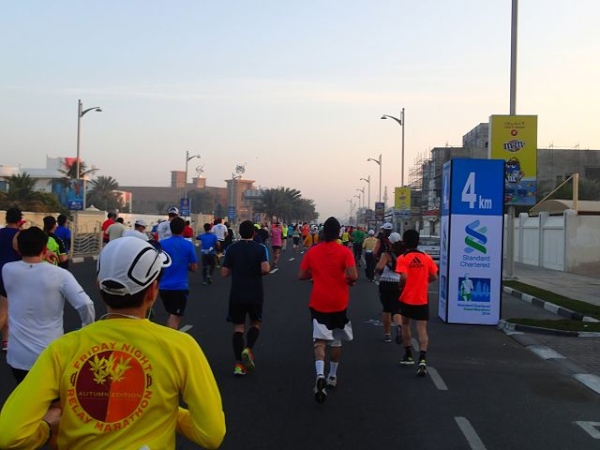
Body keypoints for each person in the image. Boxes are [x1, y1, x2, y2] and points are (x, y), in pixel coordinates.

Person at [0, 236, 226, 449]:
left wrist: (47, 428)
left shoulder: (63, 348)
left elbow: (8, 435)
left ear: (98, 285)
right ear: (152, 291)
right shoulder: (181, 347)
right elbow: (211, 434)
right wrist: (166, 410)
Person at [2, 227, 95, 383]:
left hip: (17, 357)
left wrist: (40, 251)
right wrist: (87, 328)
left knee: (24, 394)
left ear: (19, 249)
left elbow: (17, 248)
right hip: (49, 353)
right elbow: (85, 303)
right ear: (45, 248)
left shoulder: (8, 270)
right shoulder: (60, 275)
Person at [298, 217, 358, 404]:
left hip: (318, 302)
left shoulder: (313, 251)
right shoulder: (345, 252)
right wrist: (347, 279)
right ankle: (332, 375)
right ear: (339, 232)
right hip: (339, 302)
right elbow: (353, 275)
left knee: (320, 341)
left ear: (323, 233)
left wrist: (316, 273)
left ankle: (319, 375)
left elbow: (301, 275)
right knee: (337, 340)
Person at [221, 220, 270, 377]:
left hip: (237, 293)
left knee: (238, 328)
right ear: (254, 233)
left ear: (240, 233)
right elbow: (265, 269)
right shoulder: (260, 248)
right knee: (255, 323)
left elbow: (224, 273)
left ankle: (238, 365)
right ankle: (248, 349)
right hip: (255, 292)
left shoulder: (232, 249)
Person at [395, 229, 438, 377]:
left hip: (407, 298)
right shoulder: (426, 258)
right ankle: (423, 358)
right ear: (418, 241)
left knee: (406, 325)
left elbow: (404, 277)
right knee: (422, 329)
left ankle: (408, 354)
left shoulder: (403, 258)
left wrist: (401, 285)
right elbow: (434, 276)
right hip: (421, 299)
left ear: (404, 242)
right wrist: (424, 282)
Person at [158, 217, 198, 330]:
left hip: (163, 287)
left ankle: (169, 335)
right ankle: (170, 339)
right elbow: (194, 267)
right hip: (179, 287)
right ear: (183, 229)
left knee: (171, 314)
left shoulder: (161, 244)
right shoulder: (188, 245)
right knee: (175, 317)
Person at [374, 232, 405, 343]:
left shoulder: (386, 254)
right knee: (396, 309)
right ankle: (399, 326)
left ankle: (387, 334)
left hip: (386, 282)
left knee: (386, 308)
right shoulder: (403, 255)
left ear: (390, 242)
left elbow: (379, 267)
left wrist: (377, 271)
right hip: (398, 282)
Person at [0, 208, 23, 351]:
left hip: (1, 270)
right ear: (19, 219)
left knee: (6, 308)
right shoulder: (20, 235)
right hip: (12, 274)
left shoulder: (1, 233)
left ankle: (6, 341)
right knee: (4, 310)